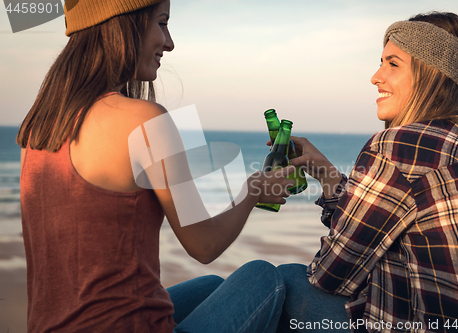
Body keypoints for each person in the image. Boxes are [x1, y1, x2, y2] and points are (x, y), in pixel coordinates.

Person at [16, 0, 295, 332]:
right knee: (265, 277)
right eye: (161, 23)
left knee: (209, 287)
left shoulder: (39, 126)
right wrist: (253, 191)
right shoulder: (144, 120)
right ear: (124, 25)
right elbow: (204, 245)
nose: (169, 42)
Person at [277, 11, 458, 332]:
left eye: (393, 64)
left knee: (277, 280)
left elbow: (331, 274)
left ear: (432, 74)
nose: (376, 77)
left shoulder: (401, 146)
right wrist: (327, 175)